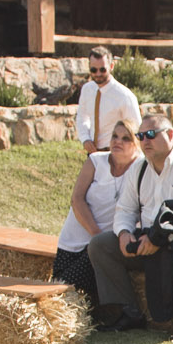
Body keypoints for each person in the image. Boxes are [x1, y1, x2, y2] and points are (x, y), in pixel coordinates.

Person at [89, 111, 173, 342]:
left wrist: (160, 239)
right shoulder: (139, 168)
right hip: (149, 237)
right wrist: (124, 233)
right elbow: (125, 209)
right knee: (100, 245)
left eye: (152, 134)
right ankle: (129, 311)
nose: (145, 140)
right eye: (141, 135)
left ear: (170, 134)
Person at [51, 119, 141, 305]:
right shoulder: (95, 161)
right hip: (74, 241)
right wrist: (95, 233)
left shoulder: (141, 169)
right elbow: (77, 199)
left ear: (136, 143)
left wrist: (100, 240)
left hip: (103, 246)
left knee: (62, 294)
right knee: (57, 290)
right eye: (115, 136)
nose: (118, 141)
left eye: (126, 138)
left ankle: (121, 311)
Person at [74, 46, 141, 155]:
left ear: (111, 66)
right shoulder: (87, 89)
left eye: (103, 69)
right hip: (93, 153)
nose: (98, 74)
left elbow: (136, 129)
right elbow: (82, 117)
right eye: (94, 70)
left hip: (116, 154)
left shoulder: (125, 96)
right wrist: (85, 138)